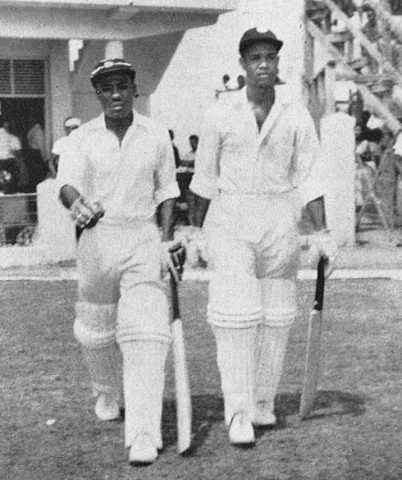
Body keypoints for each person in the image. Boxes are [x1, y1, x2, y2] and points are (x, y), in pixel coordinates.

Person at [189, 28, 338, 446]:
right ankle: (237, 412)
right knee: (236, 318)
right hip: (232, 216)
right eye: (256, 58)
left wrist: (322, 232)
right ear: (242, 64)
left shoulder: (294, 114)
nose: (264, 65)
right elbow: (204, 179)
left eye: (271, 57)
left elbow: (310, 177)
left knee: (276, 317)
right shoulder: (220, 112)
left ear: (278, 63)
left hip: (279, 217)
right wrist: (192, 231)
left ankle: (262, 402)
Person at [56, 58, 180, 465]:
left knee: (146, 330)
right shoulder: (84, 138)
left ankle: (143, 432)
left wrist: (165, 241)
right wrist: (79, 204)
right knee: (96, 328)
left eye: (122, 86)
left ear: (134, 90)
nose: (115, 94)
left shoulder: (156, 133)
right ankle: (106, 391)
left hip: (142, 237)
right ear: (97, 94)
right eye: (107, 87)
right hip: (97, 238)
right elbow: (66, 184)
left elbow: (167, 191)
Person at [179, 134, 199, 226]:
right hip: (188, 178)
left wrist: (186, 163)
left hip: (196, 178)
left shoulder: (201, 154)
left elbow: (193, 163)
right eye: (191, 143)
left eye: (194, 143)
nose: (192, 145)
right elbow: (183, 164)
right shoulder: (189, 154)